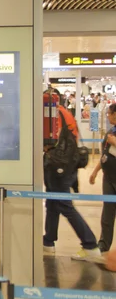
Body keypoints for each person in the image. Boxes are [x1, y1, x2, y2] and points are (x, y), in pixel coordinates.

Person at [43, 89, 102, 262]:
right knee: (53, 203)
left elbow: (49, 141)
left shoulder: (53, 113)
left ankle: (90, 244)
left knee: (64, 205)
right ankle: (48, 240)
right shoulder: (64, 113)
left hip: (58, 165)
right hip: (67, 164)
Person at [89, 103, 116, 253]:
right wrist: (95, 171)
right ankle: (103, 245)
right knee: (107, 214)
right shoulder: (111, 132)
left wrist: (115, 142)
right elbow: (105, 154)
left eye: (109, 113)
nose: (107, 116)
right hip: (109, 178)